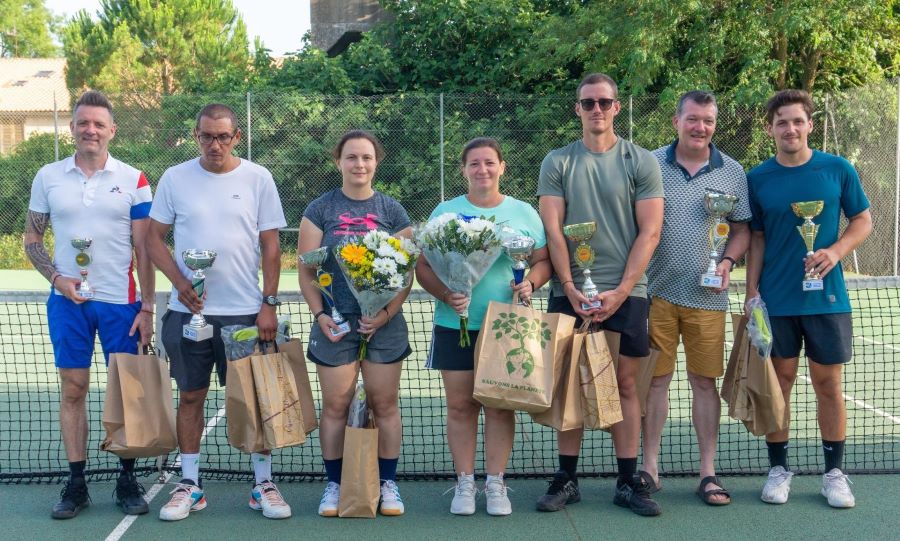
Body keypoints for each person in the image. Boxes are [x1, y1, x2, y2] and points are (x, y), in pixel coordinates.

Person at [147, 104, 290, 521]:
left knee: (254, 400)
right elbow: (154, 239)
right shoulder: (175, 178)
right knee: (190, 396)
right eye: (207, 136)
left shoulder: (258, 178)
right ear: (196, 136)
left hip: (246, 315)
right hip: (187, 313)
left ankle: (262, 483)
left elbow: (271, 246)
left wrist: (268, 302)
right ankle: (190, 484)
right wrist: (180, 283)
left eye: (223, 137)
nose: (215, 144)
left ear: (236, 137)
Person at [536, 72, 665, 516]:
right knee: (568, 385)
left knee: (626, 386)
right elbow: (553, 228)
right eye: (588, 102)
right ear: (577, 108)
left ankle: (628, 481)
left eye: (604, 102)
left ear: (616, 107)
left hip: (628, 295)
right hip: (568, 293)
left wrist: (622, 290)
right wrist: (569, 286)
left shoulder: (640, 161)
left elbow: (650, 231)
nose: (596, 109)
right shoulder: (557, 161)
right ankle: (566, 478)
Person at [24, 90, 154, 519]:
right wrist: (59, 280)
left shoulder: (135, 179)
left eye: (99, 123)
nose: (90, 130)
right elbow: (32, 239)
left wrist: (148, 308)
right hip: (68, 304)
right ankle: (76, 483)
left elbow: (145, 249)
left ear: (112, 130)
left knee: (126, 393)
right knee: (73, 390)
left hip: (122, 304)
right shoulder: (47, 176)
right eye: (83, 123)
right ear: (73, 128)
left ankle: (126, 478)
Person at [746, 89, 872, 508]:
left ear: (809, 125)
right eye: (782, 122)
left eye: (797, 120)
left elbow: (862, 220)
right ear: (770, 129)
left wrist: (835, 253)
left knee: (828, 385)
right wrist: (752, 295)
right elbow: (758, 239)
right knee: (778, 385)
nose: (790, 128)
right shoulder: (757, 178)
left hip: (828, 300)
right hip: (778, 302)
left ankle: (835, 474)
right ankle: (779, 470)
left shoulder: (837, 169)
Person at [416, 137, 553, 516]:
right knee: (460, 406)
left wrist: (532, 282)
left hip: (507, 325)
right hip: (454, 322)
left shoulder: (524, 212)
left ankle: (495, 483)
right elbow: (424, 267)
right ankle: (464, 483)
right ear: (463, 170)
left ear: (502, 167)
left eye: (489, 163)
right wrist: (446, 294)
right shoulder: (446, 211)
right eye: (474, 164)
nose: (482, 170)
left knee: (499, 405)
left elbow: (543, 262)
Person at [641, 90, 751, 505]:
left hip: (708, 298)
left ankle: (708, 472)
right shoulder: (649, 163)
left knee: (704, 383)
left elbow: (741, 229)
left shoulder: (733, 172)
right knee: (655, 381)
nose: (699, 127)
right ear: (676, 121)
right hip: (655, 294)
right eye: (692, 119)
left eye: (707, 120)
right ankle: (650, 468)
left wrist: (726, 262)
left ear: (714, 125)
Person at [297, 130, 413, 517]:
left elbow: (406, 272)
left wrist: (384, 314)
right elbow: (307, 271)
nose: (359, 164)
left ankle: (387, 483)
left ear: (376, 162)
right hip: (336, 324)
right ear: (339, 162)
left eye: (366, 157)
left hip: (384, 324)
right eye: (351, 158)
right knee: (335, 405)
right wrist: (321, 315)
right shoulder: (320, 209)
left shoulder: (393, 211)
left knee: (385, 404)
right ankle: (334, 484)